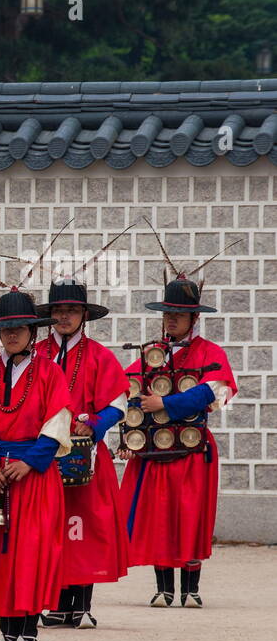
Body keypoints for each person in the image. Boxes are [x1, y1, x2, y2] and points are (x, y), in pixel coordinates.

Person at [119, 255, 237, 609]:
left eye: (179, 314)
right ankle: (163, 587)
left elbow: (217, 390)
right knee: (158, 516)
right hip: (155, 449)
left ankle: (191, 587)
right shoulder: (151, 354)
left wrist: (167, 404)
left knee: (190, 514)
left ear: (194, 317)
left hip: (192, 448)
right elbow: (128, 388)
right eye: (167, 314)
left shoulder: (210, 352)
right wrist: (128, 433)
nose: (171, 320)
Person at [0, 286, 72, 641]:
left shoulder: (51, 374)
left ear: (33, 332)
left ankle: (28, 629)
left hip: (34, 476)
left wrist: (31, 462)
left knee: (32, 551)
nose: (12, 335)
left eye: (20, 328)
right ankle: (6, 629)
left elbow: (58, 422)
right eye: (5, 329)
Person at [36, 267, 130, 628]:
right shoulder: (37, 354)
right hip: (45, 456)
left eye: (72, 311)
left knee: (85, 528)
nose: (64, 317)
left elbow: (119, 404)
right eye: (58, 311)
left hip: (85, 456)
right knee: (50, 527)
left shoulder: (99, 356)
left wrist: (92, 424)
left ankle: (82, 603)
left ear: (84, 315)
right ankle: (55, 601)